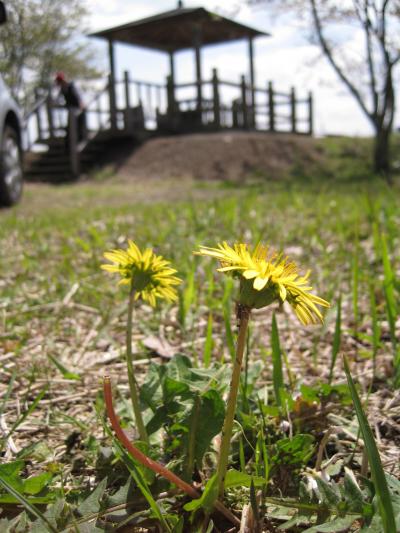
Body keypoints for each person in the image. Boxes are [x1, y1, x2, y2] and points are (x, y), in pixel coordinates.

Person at [55, 72, 87, 148]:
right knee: (70, 129)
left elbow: (77, 98)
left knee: (78, 127)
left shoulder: (70, 87)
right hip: (72, 110)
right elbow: (59, 99)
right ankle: (69, 147)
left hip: (78, 109)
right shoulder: (63, 89)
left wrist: (80, 105)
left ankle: (78, 143)